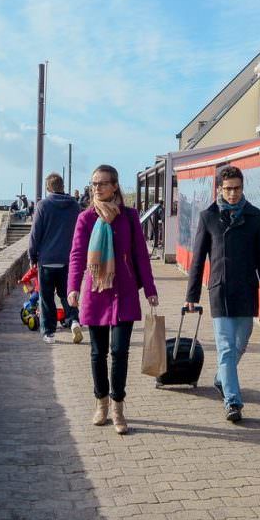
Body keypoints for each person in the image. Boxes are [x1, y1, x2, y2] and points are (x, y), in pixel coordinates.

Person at [68, 165, 159, 435]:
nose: (97, 188)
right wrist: (73, 287)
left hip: (124, 292)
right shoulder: (86, 218)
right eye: (94, 183)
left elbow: (141, 255)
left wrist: (150, 289)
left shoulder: (130, 217)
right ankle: (101, 403)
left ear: (115, 185)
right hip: (96, 293)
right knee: (98, 353)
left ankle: (118, 407)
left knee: (119, 352)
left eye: (103, 183)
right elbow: (76, 255)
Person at [183, 165, 260, 424]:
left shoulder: (255, 217)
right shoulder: (208, 217)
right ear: (219, 189)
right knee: (225, 348)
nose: (233, 194)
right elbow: (198, 258)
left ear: (242, 187)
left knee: (241, 344)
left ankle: (220, 378)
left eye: (237, 188)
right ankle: (233, 401)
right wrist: (191, 294)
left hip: (247, 289)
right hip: (220, 289)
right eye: (228, 189)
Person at [28, 173, 83, 344]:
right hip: (68, 259)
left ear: (48, 188)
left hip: (47, 260)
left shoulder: (43, 205)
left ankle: (49, 332)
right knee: (68, 294)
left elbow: (35, 234)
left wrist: (32, 255)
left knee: (46, 297)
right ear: (62, 186)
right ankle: (73, 320)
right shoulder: (74, 205)